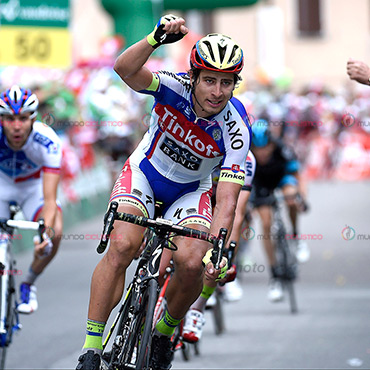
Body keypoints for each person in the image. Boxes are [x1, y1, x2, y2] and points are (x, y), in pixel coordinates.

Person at [76, 14, 252, 370]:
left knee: (191, 262)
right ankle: (91, 347)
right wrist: (155, 38)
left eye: (225, 83)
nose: (217, 92)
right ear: (194, 77)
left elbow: (228, 202)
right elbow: (124, 69)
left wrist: (217, 251)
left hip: (191, 190)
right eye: (209, 81)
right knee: (123, 245)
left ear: (234, 84)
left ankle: (163, 333)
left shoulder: (237, 129)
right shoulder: (172, 86)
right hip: (144, 173)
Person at [0, 85, 63, 314]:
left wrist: (43, 236)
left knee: (54, 230)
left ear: (33, 118)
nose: (16, 126)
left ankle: (28, 283)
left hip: (32, 187)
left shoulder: (48, 141)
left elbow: (49, 200)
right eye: (9, 119)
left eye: (23, 119)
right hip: (2, 184)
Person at [182, 151, 256, 343]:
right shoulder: (204, 146)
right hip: (197, 193)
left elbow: (237, 212)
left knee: (219, 246)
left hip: (225, 202)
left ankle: (197, 309)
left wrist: (226, 252)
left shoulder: (245, 160)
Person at [249, 120, 309, 302]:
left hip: (282, 179)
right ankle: (274, 276)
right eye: (257, 150)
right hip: (260, 185)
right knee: (266, 223)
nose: (262, 153)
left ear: (272, 143)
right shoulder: (246, 153)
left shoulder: (283, 149)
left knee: (291, 197)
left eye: (266, 148)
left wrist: (303, 199)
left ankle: (296, 238)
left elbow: (299, 177)